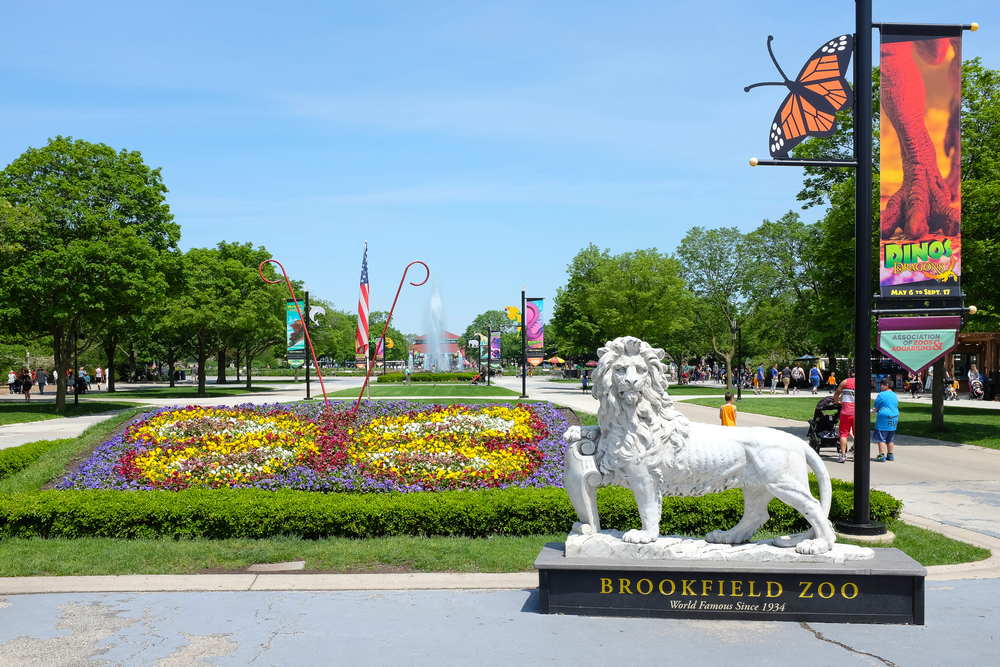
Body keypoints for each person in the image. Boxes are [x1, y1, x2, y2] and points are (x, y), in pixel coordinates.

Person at [872, 377, 899, 462]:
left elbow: (876, 406)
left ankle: (881, 455)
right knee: (890, 437)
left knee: (881, 437)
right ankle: (890, 454)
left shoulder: (881, 394)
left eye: (882, 385)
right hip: (894, 417)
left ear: (886, 385)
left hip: (884, 418)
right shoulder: (894, 394)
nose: (880, 387)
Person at [833, 369, 857, 464]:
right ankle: (856, 453)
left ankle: (843, 455)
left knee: (843, 434)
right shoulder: (862, 382)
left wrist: (836, 402)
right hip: (857, 412)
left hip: (846, 412)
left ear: (849, 374)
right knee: (857, 434)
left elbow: (836, 394)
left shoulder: (845, 382)